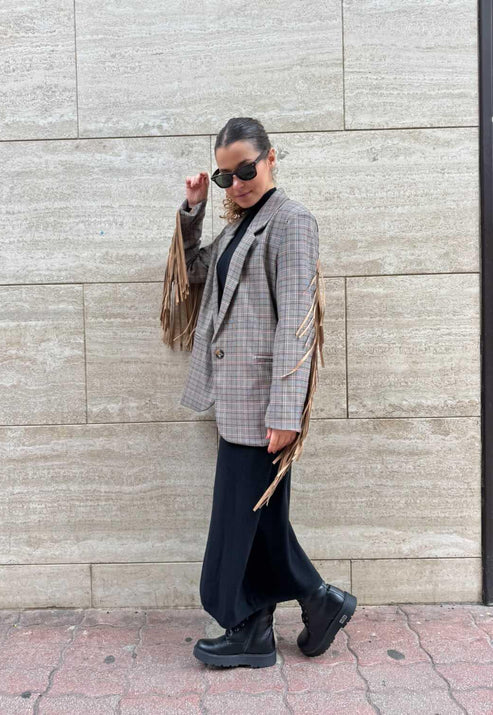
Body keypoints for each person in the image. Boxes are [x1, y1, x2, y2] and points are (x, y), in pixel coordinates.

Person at [177, 117, 357, 668]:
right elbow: (193, 271)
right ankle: (292, 614)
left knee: (240, 519)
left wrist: (286, 410)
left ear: (271, 158)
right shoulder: (240, 226)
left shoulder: (291, 221)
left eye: (246, 170)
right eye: (225, 176)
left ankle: (281, 613)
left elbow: (297, 324)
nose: (237, 183)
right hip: (235, 399)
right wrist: (194, 210)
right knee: (259, 519)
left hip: (263, 403)